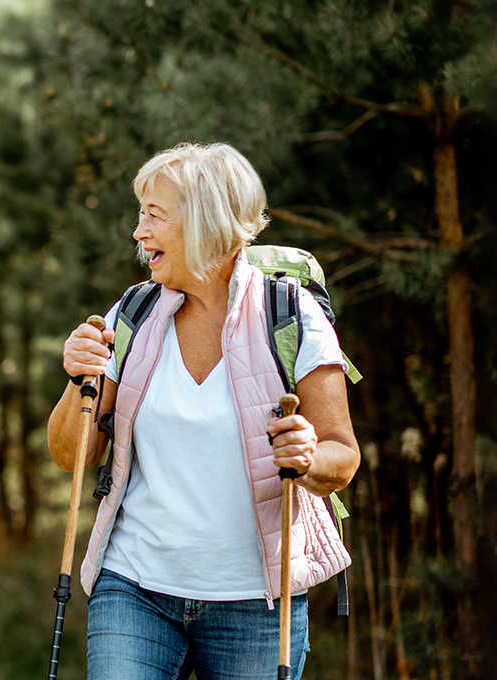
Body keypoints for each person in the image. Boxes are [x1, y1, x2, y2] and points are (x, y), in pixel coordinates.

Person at [48, 142, 359, 679]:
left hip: (255, 603)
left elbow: (342, 456)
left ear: (206, 223)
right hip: (135, 586)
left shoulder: (291, 317)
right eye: (140, 215)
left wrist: (308, 456)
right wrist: (79, 380)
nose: (138, 233)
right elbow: (70, 453)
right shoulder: (134, 313)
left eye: (154, 216)